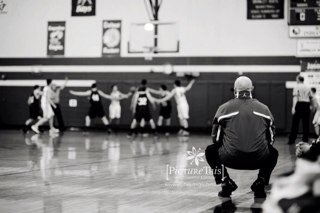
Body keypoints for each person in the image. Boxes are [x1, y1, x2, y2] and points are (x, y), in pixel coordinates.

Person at [205, 76, 278, 198]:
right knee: (273, 153)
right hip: (258, 159)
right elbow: (271, 139)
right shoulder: (264, 109)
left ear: (235, 90)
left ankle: (225, 181)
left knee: (210, 151)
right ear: (252, 89)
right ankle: (261, 182)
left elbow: (215, 138)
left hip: (230, 158)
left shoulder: (223, 108)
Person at [288, 75, 311, 145]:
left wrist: (293, 107)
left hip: (299, 105)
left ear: (298, 79)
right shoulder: (308, 87)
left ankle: (292, 140)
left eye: (296, 79)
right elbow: (310, 97)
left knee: (295, 123)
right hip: (306, 105)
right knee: (306, 123)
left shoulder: (296, 87)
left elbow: (295, 98)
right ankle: (305, 139)